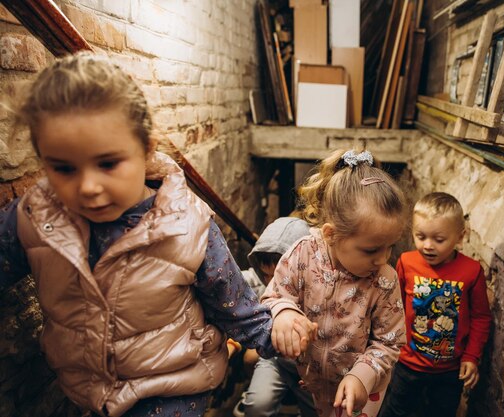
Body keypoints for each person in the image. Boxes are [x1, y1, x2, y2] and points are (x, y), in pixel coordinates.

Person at [0, 52, 315, 417]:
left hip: (173, 390)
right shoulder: (35, 216)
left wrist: (281, 331)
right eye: (63, 168)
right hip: (90, 393)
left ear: (146, 149)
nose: (87, 186)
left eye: (108, 163)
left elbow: (235, 306)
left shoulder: (189, 226)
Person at [262, 149, 408, 417]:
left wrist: (362, 377)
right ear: (331, 234)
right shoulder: (302, 254)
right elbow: (274, 295)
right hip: (312, 382)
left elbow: (390, 342)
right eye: (371, 250)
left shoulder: (384, 279)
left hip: (363, 390)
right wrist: (283, 312)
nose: (383, 259)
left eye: (390, 247)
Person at [378, 192, 492, 417]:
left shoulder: (471, 271)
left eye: (439, 240)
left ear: (460, 236)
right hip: (408, 364)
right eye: (420, 236)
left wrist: (471, 357)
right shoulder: (407, 262)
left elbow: (481, 317)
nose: (428, 246)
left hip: (450, 371)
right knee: (396, 411)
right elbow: (394, 306)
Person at [232, 216, 317, 417]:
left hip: (311, 368)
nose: (271, 283)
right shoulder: (261, 283)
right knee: (256, 407)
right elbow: (236, 281)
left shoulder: (317, 293)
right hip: (276, 361)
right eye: (266, 275)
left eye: (278, 276)